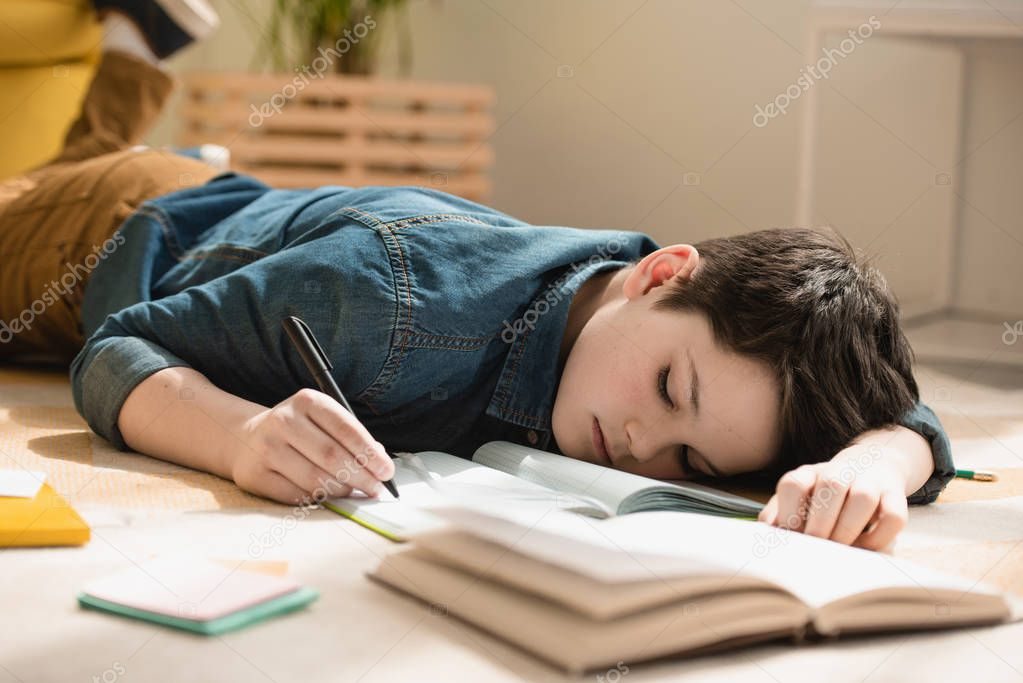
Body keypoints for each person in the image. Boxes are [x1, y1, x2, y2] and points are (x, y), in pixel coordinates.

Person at [0, 1, 953, 552]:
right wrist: (240, 433)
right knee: (55, 188)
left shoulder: (690, 332)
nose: (638, 445)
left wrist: (870, 463)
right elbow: (116, 346)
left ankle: (132, 41)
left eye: (691, 462)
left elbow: (897, 408)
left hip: (235, 207)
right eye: (669, 391)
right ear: (659, 274)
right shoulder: (388, 300)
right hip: (121, 228)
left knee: (92, 152)